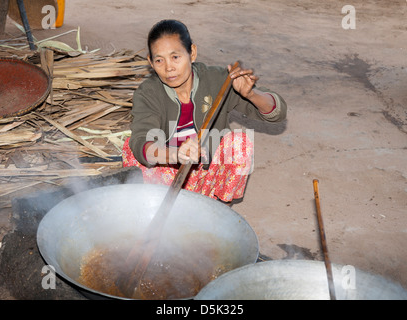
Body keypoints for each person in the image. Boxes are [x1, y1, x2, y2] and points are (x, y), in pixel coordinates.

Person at [122, 19, 287, 205]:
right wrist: (176, 154)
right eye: (159, 60)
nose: (169, 68)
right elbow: (141, 142)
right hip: (166, 179)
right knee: (131, 149)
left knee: (240, 144)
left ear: (192, 53)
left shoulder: (217, 81)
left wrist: (251, 94)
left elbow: (276, 113)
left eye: (175, 57)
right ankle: (151, 208)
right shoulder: (149, 93)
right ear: (150, 63)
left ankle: (217, 210)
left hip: (207, 177)